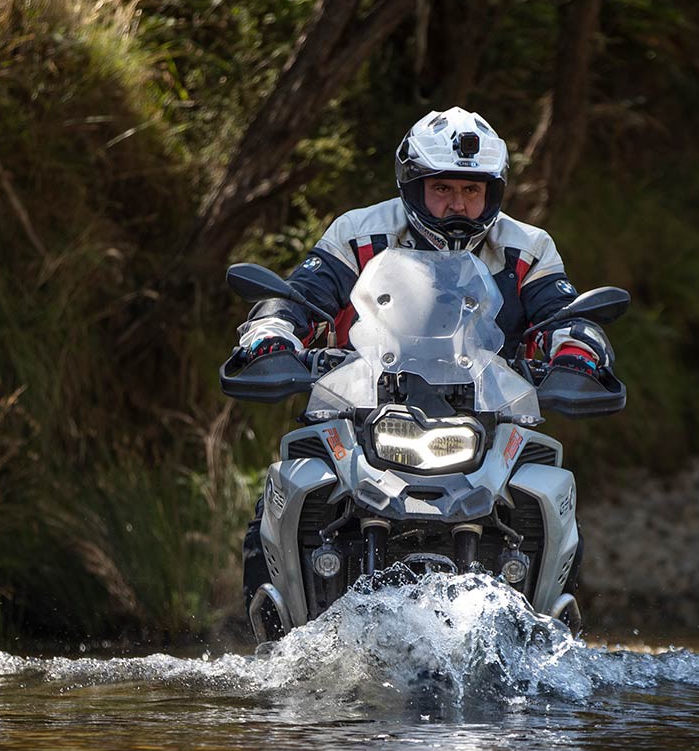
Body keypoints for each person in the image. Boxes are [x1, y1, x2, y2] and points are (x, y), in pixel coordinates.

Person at [230, 106, 615, 610]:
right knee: (290, 484)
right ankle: (276, 634)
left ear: (492, 193)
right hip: (361, 407)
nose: (459, 205)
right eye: (443, 189)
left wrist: (577, 353)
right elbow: (301, 296)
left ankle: (549, 630)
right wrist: (272, 334)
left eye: (472, 191)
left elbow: (564, 314)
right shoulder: (358, 232)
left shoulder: (527, 247)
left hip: (488, 417)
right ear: (412, 187)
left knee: (548, 490)